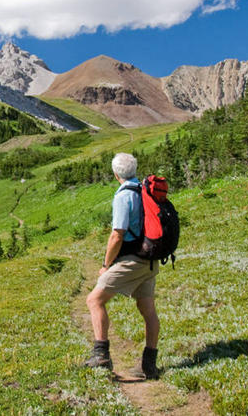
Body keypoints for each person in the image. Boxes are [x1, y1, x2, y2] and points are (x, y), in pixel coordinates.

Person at [83, 152, 159, 379]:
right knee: (147, 310)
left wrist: (106, 264)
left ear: (116, 174)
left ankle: (101, 356)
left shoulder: (123, 196)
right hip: (150, 258)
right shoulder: (144, 190)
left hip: (132, 260)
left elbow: (117, 235)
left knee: (94, 300)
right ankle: (149, 365)